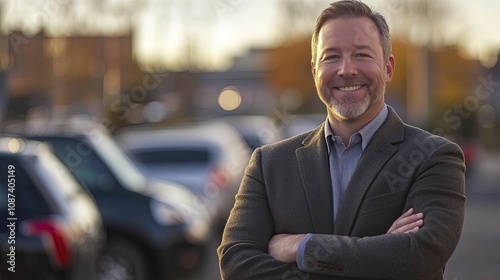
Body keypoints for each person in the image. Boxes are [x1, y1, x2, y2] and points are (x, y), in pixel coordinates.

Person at [217, 1, 466, 279]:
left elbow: (420, 256)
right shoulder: (269, 163)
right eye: (331, 57)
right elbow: (236, 263)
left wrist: (302, 246)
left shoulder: (433, 157)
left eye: (361, 55)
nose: (346, 70)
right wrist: (379, 252)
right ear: (315, 72)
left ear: (388, 68)